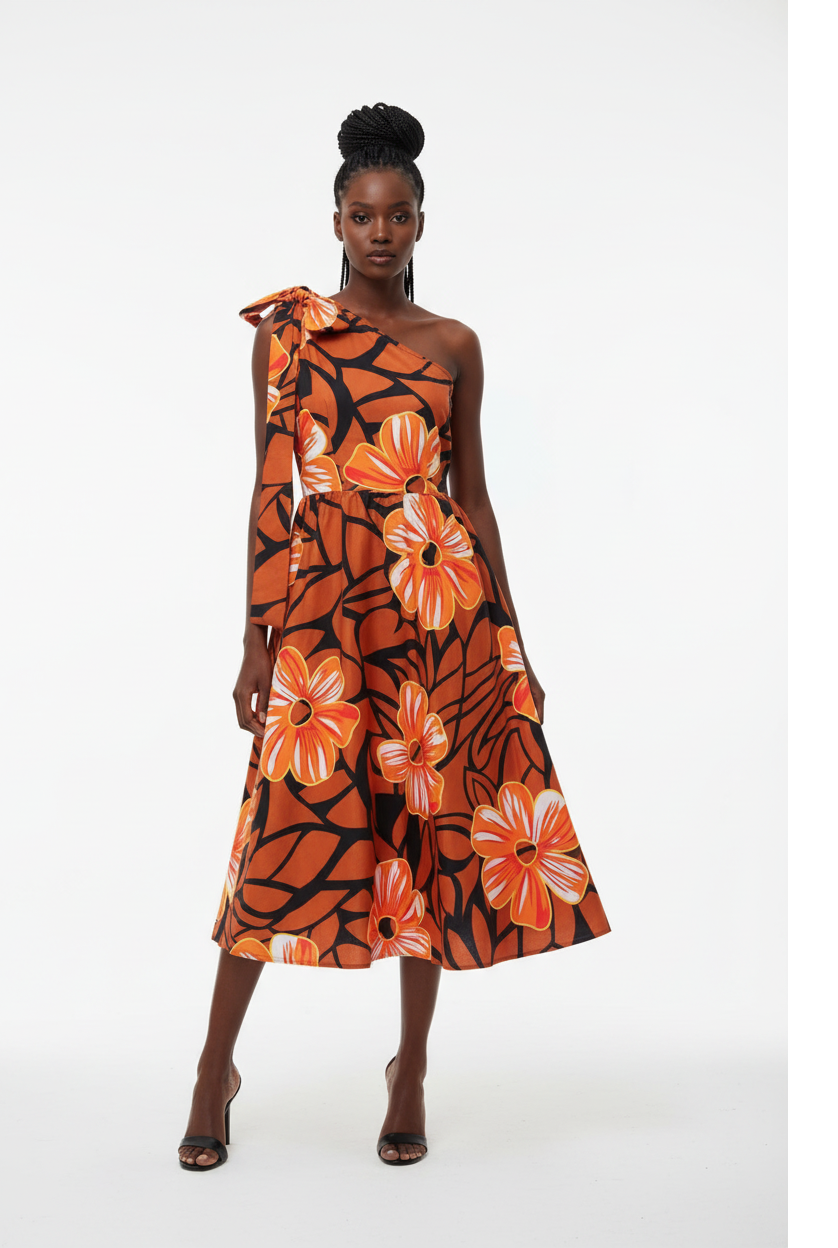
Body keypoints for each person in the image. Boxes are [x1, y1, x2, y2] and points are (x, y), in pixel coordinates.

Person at [178, 102, 611, 1172]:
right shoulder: (290, 336)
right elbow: (271, 491)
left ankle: (410, 1069)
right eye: (364, 215)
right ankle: (212, 1069)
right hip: (325, 618)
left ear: (422, 223)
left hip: (437, 615)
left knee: (427, 841)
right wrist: (255, 641)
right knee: (278, 838)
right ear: (335, 220)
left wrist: (514, 645)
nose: (381, 232)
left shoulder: (453, 345)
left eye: (400, 216)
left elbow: (475, 501)